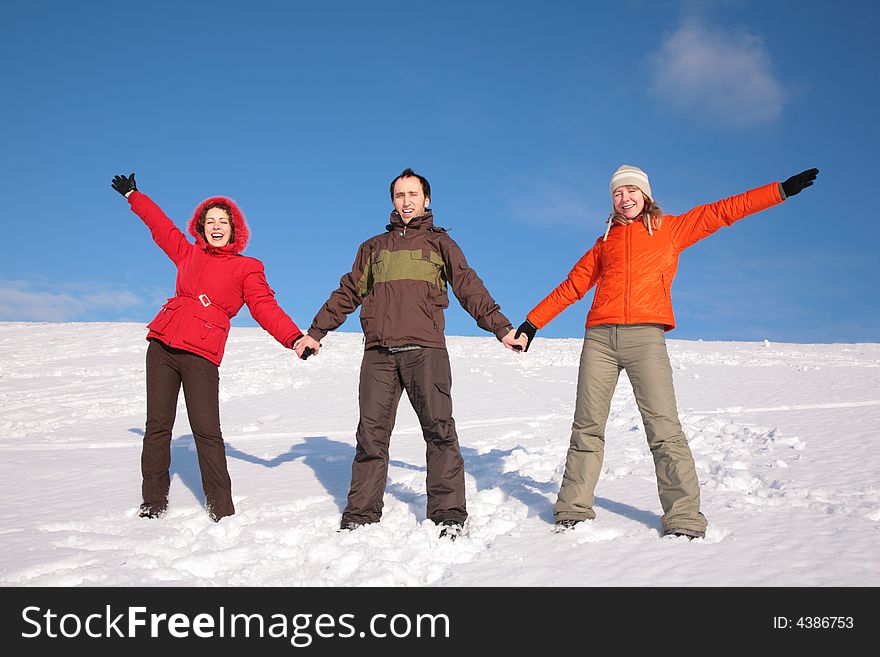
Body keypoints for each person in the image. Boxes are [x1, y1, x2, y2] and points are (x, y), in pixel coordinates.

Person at [515, 165, 819, 539]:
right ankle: (573, 508)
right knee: (587, 427)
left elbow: (724, 211)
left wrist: (780, 191)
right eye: (617, 193)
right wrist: (531, 325)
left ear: (645, 195)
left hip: (646, 337)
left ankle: (684, 516)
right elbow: (572, 286)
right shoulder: (604, 243)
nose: (624, 198)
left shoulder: (670, 229)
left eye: (631, 191)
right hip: (599, 339)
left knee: (663, 428)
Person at [295, 168, 527, 539]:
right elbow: (347, 293)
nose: (406, 201)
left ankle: (448, 513)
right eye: (400, 195)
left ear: (426, 200)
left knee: (439, 431)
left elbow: (469, 287)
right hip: (379, 355)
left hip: (426, 351)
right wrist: (315, 332)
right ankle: (361, 515)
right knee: (371, 436)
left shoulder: (441, 244)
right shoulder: (373, 247)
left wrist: (501, 328)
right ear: (393, 201)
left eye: (413, 194)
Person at [111, 173, 306, 522]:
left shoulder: (247, 267)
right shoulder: (187, 254)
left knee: (206, 431)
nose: (217, 226)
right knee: (157, 427)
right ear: (201, 227)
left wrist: (293, 338)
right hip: (162, 346)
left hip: (201, 353)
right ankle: (153, 504)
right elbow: (162, 228)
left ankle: (222, 510)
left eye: (224, 221)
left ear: (235, 228)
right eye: (210, 221)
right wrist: (134, 196)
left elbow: (265, 307)